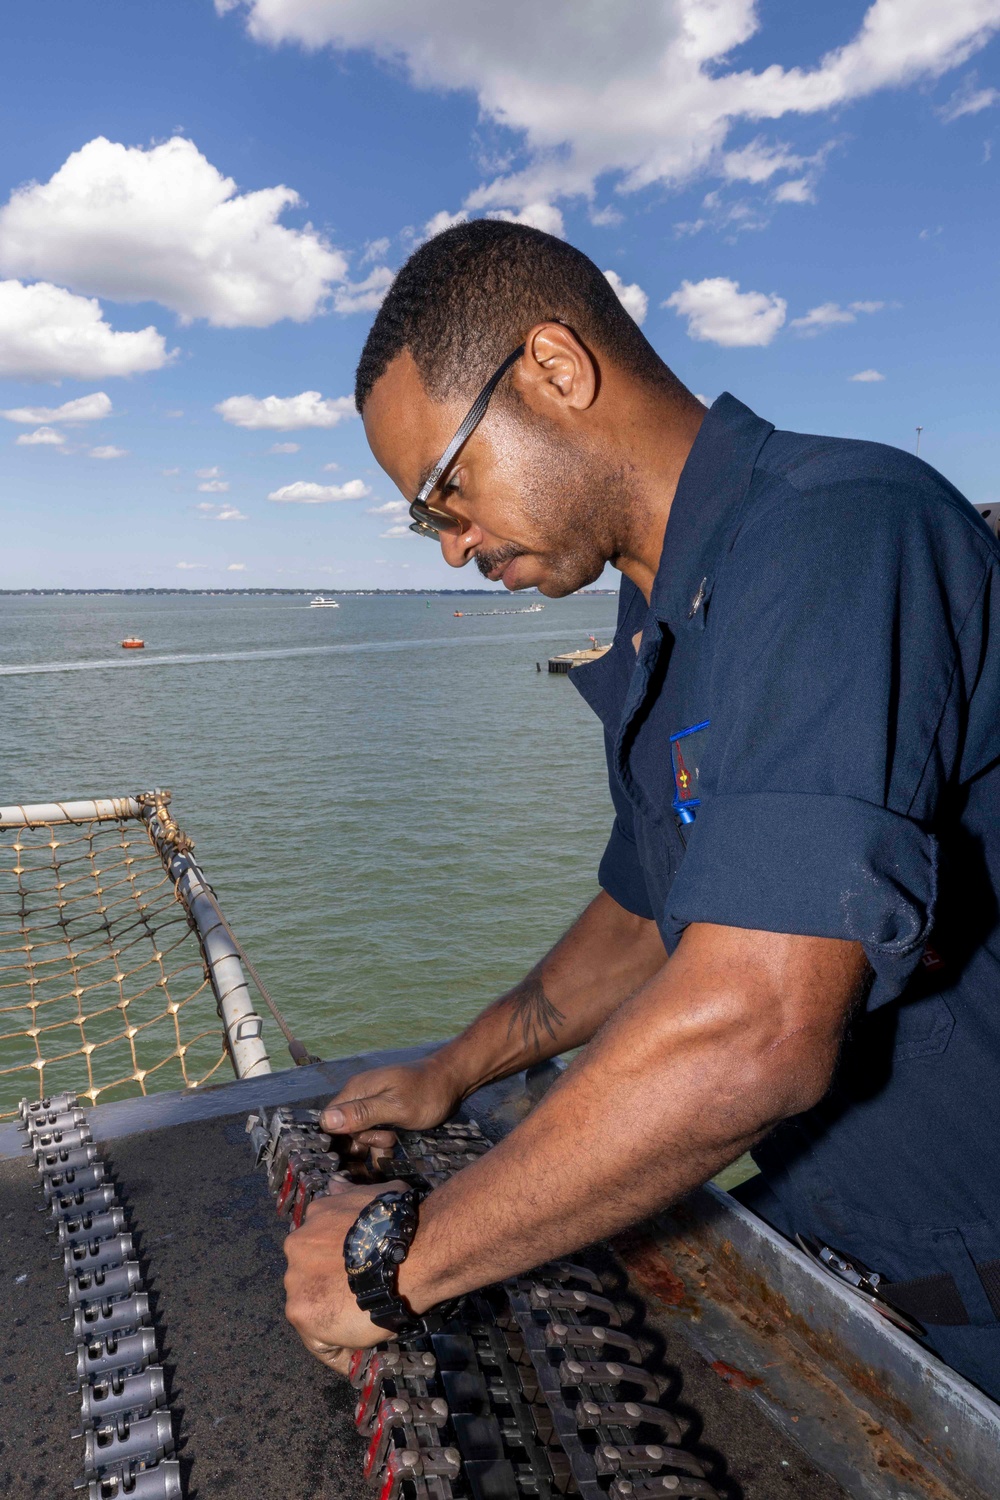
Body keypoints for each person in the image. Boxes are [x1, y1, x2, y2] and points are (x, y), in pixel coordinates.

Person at [283, 219, 1000, 1399]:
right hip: (837, 1259)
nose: (453, 548)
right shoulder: (659, 607)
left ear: (556, 371)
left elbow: (755, 1021)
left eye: (446, 491)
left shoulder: (840, 531)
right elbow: (642, 913)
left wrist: (395, 1263)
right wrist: (454, 1069)